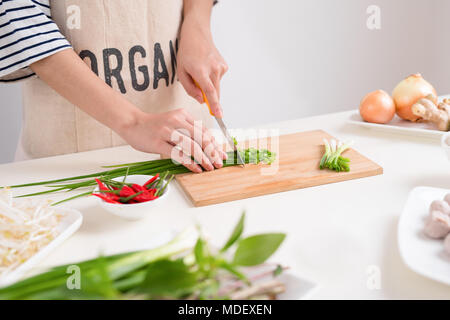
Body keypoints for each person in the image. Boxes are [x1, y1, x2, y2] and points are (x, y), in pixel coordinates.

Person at [0, 0, 228, 173]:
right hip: (73, 166)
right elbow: (19, 19)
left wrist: (197, 25)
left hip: (181, 159)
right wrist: (132, 121)